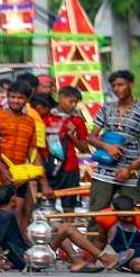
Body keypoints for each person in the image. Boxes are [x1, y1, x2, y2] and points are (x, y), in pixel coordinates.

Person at [88, 70, 140, 210]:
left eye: (120, 84)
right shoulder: (106, 109)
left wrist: (130, 169)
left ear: (131, 85)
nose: (117, 89)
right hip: (105, 170)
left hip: (131, 171)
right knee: (97, 214)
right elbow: (91, 137)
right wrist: (108, 147)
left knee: (132, 214)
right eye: (113, 86)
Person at [0, 80, 50, 215]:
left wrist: (44, 183)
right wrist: (2, 170)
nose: (16, 101)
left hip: (20, 174)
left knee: (21, 211)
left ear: (27, 99)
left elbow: (33, 152)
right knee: (1, 212)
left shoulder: (30, 121)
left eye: (20, 98)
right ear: (7, 97)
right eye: (13, 97)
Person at [45, 86, 90, 215]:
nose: (73, 105)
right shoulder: (47, 116)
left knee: (69, 205)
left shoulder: (77, 120)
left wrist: (72, 136)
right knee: (47, 202)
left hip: (70, 168)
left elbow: (85, 148)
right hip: (50, 166)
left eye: (75, 102)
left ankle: (68, 231)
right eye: (71, 101)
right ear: (61, 98)